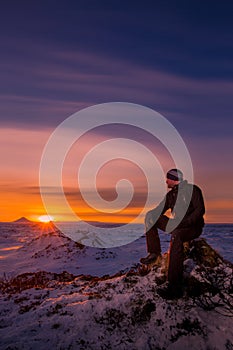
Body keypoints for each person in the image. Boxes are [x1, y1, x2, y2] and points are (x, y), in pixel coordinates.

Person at [140, 168, 205, 299]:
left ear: (174, 179)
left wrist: (184, 223)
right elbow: (159, 210)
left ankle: (174, 286)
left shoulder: (193, 190)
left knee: (177, 236)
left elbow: (200, 210)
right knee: (151, 217)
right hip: (177, 225)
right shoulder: (170, 195)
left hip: (192, 227)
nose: (166, 181)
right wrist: (151, 215)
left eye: (168, 178)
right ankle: (154, 253)